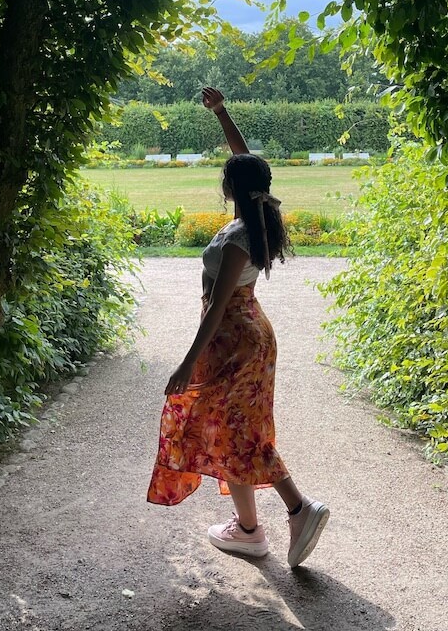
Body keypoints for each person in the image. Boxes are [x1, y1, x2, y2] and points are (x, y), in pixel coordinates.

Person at [147, 87, 329, 567]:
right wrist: (221, 114)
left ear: (230, 188)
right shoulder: (259, 216)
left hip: (235, 339)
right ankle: (249, 530)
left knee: (242, 432)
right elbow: (246, 160)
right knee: (232, 430)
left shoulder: (237, 238)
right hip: (252, 333)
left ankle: (298, 507)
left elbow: (216, 308)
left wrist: (185, 365)